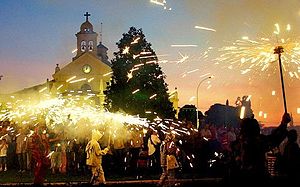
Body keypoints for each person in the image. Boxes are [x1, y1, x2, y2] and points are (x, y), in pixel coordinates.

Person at [229, 113, 291, 184]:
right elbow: (273, 139)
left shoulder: (237, 144)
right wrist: (283, 124)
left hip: (242, 179)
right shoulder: (257, 142)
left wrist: (283, 124)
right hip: (257, 178)